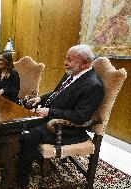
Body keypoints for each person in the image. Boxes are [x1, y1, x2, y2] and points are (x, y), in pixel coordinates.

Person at [16, 44, 104, 188]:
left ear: (85, 63)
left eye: (70, 60)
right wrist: (40, 99)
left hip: (67, 128)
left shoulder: (93, 86)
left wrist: (50, 112)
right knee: (18, 125)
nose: (65, 62)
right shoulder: (71, 72)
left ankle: (21, 179)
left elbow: (80, 116)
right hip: (52, 118)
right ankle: (24, 159)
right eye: (66, 58)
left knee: (30, 136)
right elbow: (57, 93)